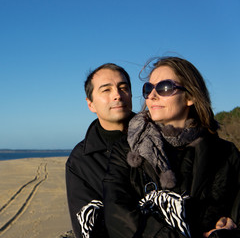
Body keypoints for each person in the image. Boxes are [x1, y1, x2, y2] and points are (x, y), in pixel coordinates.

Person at [103, 57, 240, 238]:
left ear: (190, 96)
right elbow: (117, 215)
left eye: (164, 87)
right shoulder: (126, 150)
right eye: (148, 88)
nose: (152, 95)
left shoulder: (225, 153)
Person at [66, 63, 134, 238]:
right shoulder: (81, 160)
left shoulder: (159, 137)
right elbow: (88, 228)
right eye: (106, 90)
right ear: (91, 104)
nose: (117, 95)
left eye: (123, 88)